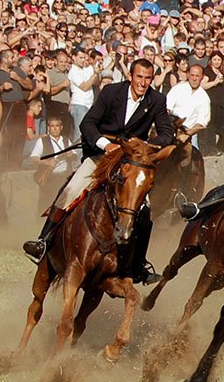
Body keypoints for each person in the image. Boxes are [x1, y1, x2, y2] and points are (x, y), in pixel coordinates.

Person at [22, 58, 174, 284]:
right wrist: (106, 144)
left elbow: (166, 134)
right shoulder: (111, 92)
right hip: (100, 155)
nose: (143, 83)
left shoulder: (157, 99)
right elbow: (88, 124)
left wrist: (141, 145)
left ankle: (139, 265)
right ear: (130, 76)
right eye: (139, 77)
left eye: (148, 78)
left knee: (144, 212)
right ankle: (43, 241)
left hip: (130, 162)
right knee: (71, 190)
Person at [26, 116, 77, 214]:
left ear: (61, 127)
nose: (55, 128)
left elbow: (74, 155)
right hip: (49, 179)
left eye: (57, 126)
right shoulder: (42, 141)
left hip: (63, 178)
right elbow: (33, 158)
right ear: (48, 128)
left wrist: (70, 155)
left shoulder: (66, 141)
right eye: (52, 126)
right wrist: (46, 162)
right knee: (45, 205)